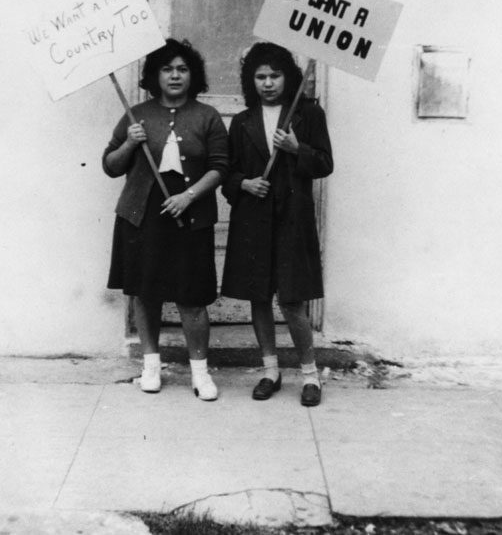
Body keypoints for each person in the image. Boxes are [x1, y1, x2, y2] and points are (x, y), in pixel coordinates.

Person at [103, 38, 228, 400]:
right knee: (146, 294)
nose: (175, 75)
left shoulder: (207, 117)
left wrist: (189, 196)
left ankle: (200, 373)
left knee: (192, 296)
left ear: (193, 75)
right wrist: (129, 143)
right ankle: (151, 366)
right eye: (167, 69)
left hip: (190, 218)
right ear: (155, 75)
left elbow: (221, 167)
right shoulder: (135, 114)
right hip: (142, 219)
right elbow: (110, 166)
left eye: (182, 69)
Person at [221, 42, 333, 407]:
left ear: (289, 76)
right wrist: (243, 184)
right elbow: (226, 173)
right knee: (258, 296)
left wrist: (296, 148)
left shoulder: (307, 114)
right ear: (250, 80)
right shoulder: (241, 122)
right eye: (260, 76)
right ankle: (270, 370)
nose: (268, 83)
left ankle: (310, 375)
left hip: (291, 219)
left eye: (275, 75)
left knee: (292, 300)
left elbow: (324, 164)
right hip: (253, 220)